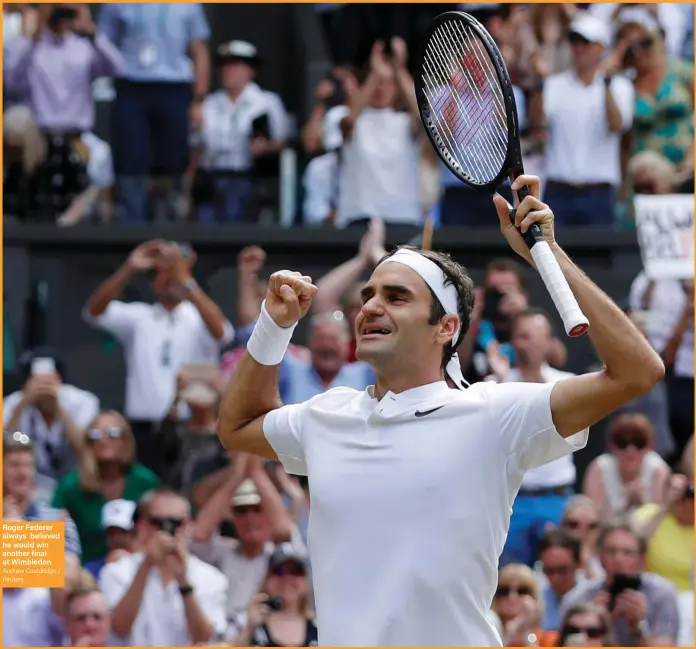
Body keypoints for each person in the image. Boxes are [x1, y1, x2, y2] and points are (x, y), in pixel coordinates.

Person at [217, 173, 664, 645]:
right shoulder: (326, 416)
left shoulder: (495, 412)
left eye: (396, 297)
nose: (370, 307)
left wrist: (548, 254)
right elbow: (238, 426)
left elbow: (637, 371)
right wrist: (273, 326)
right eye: (368, 295)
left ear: (445, 327)